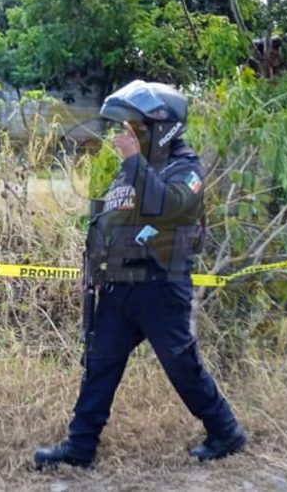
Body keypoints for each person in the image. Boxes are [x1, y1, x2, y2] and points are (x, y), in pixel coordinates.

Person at [34, 80, 246, 469]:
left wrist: (134, 162)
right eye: (129, 127)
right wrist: (91, 268)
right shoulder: (133, 171)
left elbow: (170, 208)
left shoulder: (186, 168)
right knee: (100, 365)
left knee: (182, 365)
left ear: (165, 128)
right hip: (118, 287)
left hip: (160, 288)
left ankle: (226, 432)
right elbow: (108, 221)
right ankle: (80, 447)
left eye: (138, 127)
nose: (129, 134)